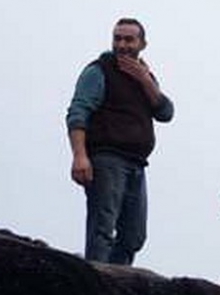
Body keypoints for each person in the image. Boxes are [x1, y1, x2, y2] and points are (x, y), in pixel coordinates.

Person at [66, 18, 174, 265]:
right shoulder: (99, 71)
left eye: (129, 39)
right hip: (106, 158)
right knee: (103, 228)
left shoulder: (146, 78)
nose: (122, 45)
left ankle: (119, 284)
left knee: (134, 235)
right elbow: (77, 113)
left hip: (137, 164)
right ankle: (97, 282)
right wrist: (80, 156)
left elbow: (166, 113)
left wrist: (145, 80)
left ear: (142, 44)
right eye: (118, 38)